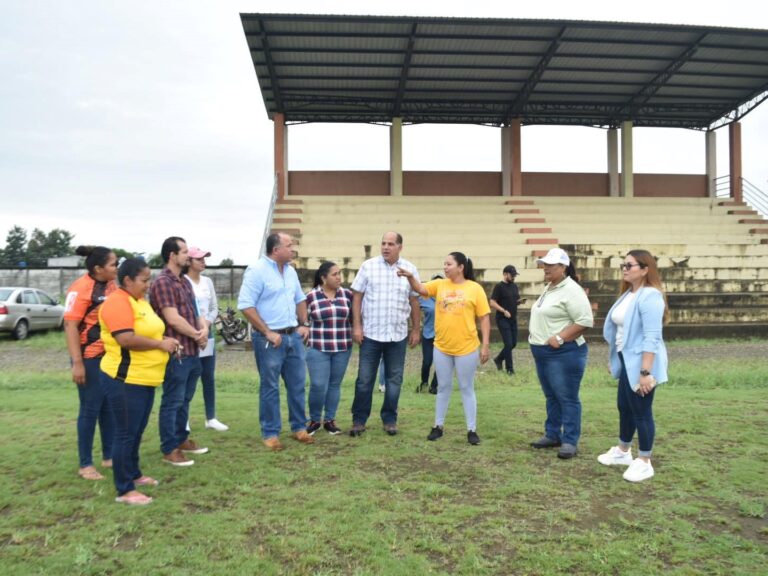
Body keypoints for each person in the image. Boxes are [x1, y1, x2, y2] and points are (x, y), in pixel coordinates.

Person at [100, 258, 180, 505]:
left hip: (145, 379)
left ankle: (134, 474)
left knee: (136, 431)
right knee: (125, 433)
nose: (149, 284)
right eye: (144, 280)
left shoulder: (139, 302)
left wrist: (165, 339)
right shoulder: (117, 302)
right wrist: (160, 344)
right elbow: (125, 338)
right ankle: (124, 489)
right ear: (127, 280)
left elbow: (150, 331)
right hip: (125, 380)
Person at [399, 253, 490, 445]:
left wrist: (485, 346)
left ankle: (471, 430)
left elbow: (484, 318)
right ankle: (438, 426)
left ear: (461, 267)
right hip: (442, 347)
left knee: (466, 387)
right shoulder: (440, 285)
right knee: (443, 387)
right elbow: (420, 288)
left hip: (467, 348)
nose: (445, 267)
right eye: (444, 264)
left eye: (449, 264)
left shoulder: (475, 289)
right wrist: (410, 277)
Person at [237, 232, 315, 451]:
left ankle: (299, 427)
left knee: (298, 384)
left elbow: (300, 299)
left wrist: (304, 323)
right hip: (270, 340)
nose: (293, 249)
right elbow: (245, 305)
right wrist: (267, 332)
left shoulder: (290, 272)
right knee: (270, 387)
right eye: (289, 245)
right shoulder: (256, 271)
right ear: (276, 250)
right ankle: (270, 433)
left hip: (293, 337)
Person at [599, 249, 669, 482]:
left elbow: (651, 337)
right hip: (626, 361)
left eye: (630, 265)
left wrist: (645, 373)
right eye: (624, 265)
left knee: (641, 411)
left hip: (642, 363)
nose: (625, 269)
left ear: (645, 269)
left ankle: (645, 461)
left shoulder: (650, 296)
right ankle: (623, 451)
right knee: (625, 406)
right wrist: (616, 361)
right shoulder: (630, 293)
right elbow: (621, 333)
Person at [349, 231, 421, 437]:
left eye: (390, 244)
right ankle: (359, 420)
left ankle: (389, 419)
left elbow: (414, 300)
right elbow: (357, 297)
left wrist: (416, 329)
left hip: (397, 335)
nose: (385, 247)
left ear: (400, 247)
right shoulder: (368, 266)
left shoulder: (410, 269)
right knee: (364, 379)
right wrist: (357, 326)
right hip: (371, 334)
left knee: (394, 380)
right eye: (383, 243)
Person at [528, 247, 594, 459]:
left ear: (563, 267)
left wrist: (560, 337)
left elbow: (584, 321)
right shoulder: (551, 287)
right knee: (552, 396)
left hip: (563, 353)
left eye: (550, 265)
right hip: (544, 353)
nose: (545, 268)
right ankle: (553, 434)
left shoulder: (571, 290)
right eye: (544, 264)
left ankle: (570, 440)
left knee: (567, 397)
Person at [150, 237, 209, 466]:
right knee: (173, 400)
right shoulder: (163, 282)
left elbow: (196, 311)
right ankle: (169, 448)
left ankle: (181, 438)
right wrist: (197, 334)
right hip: (177, 352)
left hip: (193, 350)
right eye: (184, 251)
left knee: (184, 399)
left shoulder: (183, 281)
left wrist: (203, 329)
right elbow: (172, 319)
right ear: (172, 256)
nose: (188, 255)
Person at [63, 246, 117, 481]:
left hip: (109, 358)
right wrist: (78, 363)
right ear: (98, 269)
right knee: (90, 409)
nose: (116, 267)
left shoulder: (112, 285)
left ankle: (109, 456)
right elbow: (70, 326)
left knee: (108, 408)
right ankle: (85, 464)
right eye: (113, 264)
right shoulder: (80, 289)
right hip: (88, 358)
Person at [305, 261, 353, 436]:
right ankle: (315, 420)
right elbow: (302, 321)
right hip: (318, 348)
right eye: (334, 274)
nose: (339, 277)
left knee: (334, 385)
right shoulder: (310, 297)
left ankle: (330, 421)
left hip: (342, 348)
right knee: (318, 385)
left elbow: (355, 319)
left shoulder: (347, 295)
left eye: (339, 273)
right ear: (323, 278)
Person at [185, 247, 228, 432]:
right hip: (188, 334)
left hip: (206, 333)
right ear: (189, 261)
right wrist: (197, 330)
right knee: (188, 377)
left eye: (204, 258)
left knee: (208, 376)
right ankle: (183, 418)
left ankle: (211, 417)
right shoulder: (182, 281)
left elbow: (213, 307)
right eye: (199, 259)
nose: (203, 261)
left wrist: (207, 326)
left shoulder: (207, 281)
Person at [490, 265, 525, 375]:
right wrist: (503, 311)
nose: (514, 277)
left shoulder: (514, 286)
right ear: (505, 274)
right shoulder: (499, 287)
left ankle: (499, 359)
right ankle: (510, 370)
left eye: (515, 275)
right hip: (502, 319)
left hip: (513, 318)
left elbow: (514, 301)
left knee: (513, 343)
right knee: (508, 344)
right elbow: (492, 302)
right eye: (512, 275)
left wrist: (519, 302)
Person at [416, 274, 443, 394]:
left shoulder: (448, 297)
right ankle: (424, 383)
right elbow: (414, 307)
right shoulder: (424, 297)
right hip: (428, 334)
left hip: (443, 336)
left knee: (441, 363)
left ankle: (435, 386)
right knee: (427, 361)